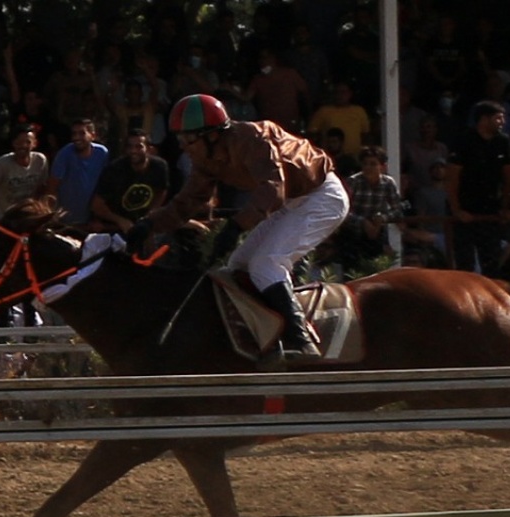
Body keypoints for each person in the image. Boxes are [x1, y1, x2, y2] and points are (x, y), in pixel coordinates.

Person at [126, 94, 349, 364]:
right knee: (238, 265)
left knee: (266, 264)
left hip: (323, 197)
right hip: (291, 202)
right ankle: (270, 335)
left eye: (189, 140)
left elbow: (272, 189)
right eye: (181, 140)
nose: (184, 147)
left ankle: (302, 341)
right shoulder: (206, 158)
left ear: (212, 135)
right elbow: (186, 203)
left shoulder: (252, 138)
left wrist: (234, 228)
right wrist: (148, 224)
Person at [447, 100, 510, 276]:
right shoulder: (463, 140)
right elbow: (452, 178)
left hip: (491, 213)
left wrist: (504, 207)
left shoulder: (503, 142)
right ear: (484, 119)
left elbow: (509, 177)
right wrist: (457, 210)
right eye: (498, 118)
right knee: (465, 265)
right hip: (465, 213)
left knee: (492, 264)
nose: (502, 122)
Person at [327, 145, 404, 276]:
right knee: (352, 274)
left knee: (376, 273)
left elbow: (398, 209)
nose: (368, 168)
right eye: (365, 164)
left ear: (382, 166)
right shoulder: (353, 182)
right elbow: (342, 210)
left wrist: (382, 218)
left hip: (376, 233)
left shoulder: (388, 183)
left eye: (373, 164)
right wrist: (363, 222)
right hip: (352, 234)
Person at [90, 129, 169, 235]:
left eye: (139, 146)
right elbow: (97, 205)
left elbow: (162, 190)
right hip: (116, 226)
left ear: (149, 149)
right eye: (130, 147)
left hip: (143, 223)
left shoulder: (159, 167)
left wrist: (151, 213)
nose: (133, 151)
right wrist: (120, 220)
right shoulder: (115, 169)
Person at [0, 124, 49, 225]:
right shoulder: (2, 164)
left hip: (29, 218)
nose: (23, 146)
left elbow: (42, 187)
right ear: (13, 143)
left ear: (34, 143)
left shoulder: (40, 161)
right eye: (19, 142)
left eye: (27, 142)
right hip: (6, 219)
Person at [46, 117, 108, 227]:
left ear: (92, 135)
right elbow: (52, 187)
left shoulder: (102, 153)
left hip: (91, 219)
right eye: (74, 134)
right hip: (65, 219)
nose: (76, 138)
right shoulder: (64, 155)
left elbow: (104, 184)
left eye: (81, 133)